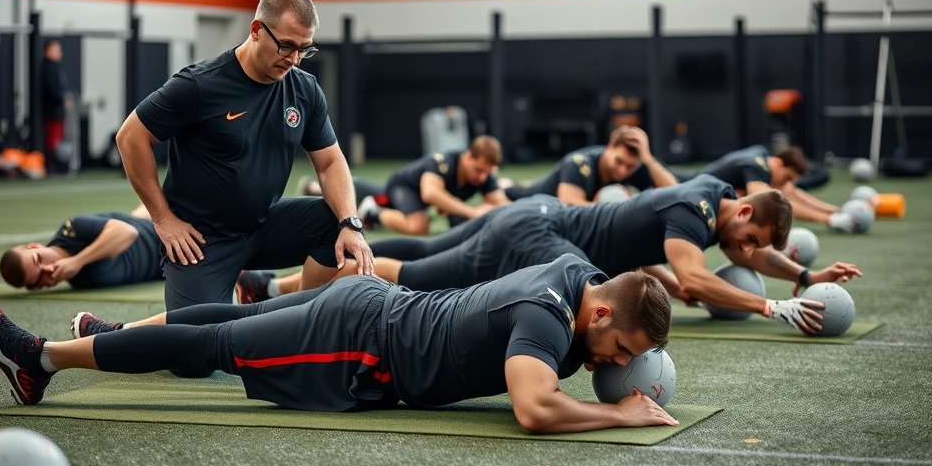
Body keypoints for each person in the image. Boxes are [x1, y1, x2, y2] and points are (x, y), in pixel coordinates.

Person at [0, 254, 678, 434]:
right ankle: (38, 361)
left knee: (219, 320)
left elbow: (586, 348)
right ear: (602, 308)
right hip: (357, 345)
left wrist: (617, 361)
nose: (616, 362)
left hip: (369, 302)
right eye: (621, 345)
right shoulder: (550, 318)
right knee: (210, 347)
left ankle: (111, 337)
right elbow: (533, 408)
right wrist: (617, 413)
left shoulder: (579, 276)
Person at [115, 0, 373, 315]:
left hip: (264, 224)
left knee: (336, 223)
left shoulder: (305, 90)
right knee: (195, 355)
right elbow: (131, 137)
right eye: (286, 46)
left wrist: (351, 223)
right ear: (256, 30)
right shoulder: (199, 85)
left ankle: (296, 317)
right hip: (203, 240)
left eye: (304, 49)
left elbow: (330, 162)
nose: (294, 59)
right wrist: (163, 219)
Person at [364, 175, 861, 334]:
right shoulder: (696, 211)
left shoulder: (717, 202)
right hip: (541, 231)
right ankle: (340, 273)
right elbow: (691, 279)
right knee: (420, 276)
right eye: (752, 238)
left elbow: (669, 268)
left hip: (537, 214)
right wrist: (769, 307)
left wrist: (804, 275)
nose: (746, 252)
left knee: (424, 257)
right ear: (746, 212)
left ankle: (315, 272)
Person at [299, 135, 510, 235]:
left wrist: (491, 207)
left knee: (370, 194)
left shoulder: (484, 175)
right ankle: (373, 213)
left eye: (487, 173)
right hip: (404, 187)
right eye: (479, 171)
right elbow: (430, 194)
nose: (482, 178)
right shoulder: (443, 162)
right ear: (468, 158)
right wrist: (473, 212)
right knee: (419, 226)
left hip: (413, 199)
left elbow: (501, 203)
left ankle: (314, 190)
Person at [0, 204, 162, 291]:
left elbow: (127, 232)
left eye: (38, 259)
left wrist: (76, 261)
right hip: (166, 268)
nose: (47, 268)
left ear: (34, 246)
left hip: (166, 236)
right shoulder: (80, 283)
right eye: (40, 276)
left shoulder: (72, 230)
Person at [696, 145, 855, 232]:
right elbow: (776, 206)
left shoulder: (764, 154)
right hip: (687, 186)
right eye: (787, 178)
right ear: (778, 163)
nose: (788, 184)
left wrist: (833, 210)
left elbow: (791, 192)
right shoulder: (755, 168)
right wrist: (827, 220)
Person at [502, 126, 678, 204]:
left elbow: (676, 193)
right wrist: (618, 208)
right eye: (619, 161)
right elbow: (568, 204)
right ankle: (506, 183)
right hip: (533, 196)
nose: (623, 170)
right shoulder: (579, 163)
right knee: (514, 192)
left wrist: (648, 159)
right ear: (609, 147)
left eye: (630, 166)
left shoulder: (635, 166)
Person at [41, 39, 72, 175]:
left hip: (57, 112)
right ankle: (51, 167)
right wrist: (62, 99)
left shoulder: (56, 68)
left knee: (57, 140)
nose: (60, 53)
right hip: (52, 111)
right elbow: (52, 89)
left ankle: (58, 166)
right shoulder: (48, 68)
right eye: (56, 50)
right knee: (52, 140)